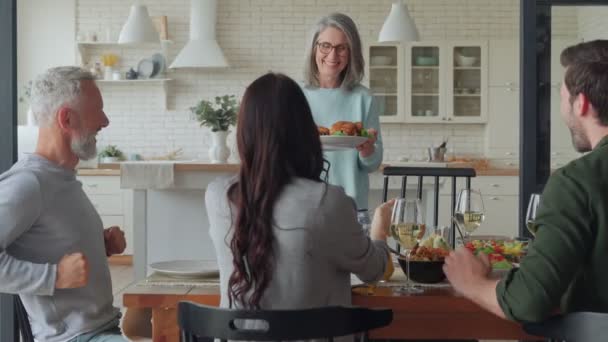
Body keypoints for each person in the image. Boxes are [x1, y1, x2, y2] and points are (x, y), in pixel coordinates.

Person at [443, 40, 608, 322]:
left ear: (581, 103)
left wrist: (470, 282)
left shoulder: (575, 182)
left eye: (562, 96)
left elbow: (528, 302)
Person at [206, 72, 392, 311]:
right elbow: (375, 271)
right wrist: (380, 228)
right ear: (304, 131)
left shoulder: (217, 196)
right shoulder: (329, 202)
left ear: (244, 133)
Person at [0, 66, 127, 341]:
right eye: (98, 110)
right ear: (67, 119)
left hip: (105, 327)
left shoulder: (61, 178)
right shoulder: (28, 184)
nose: (105, 121)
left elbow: (51, 243)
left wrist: (99, 245)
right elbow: (59, 271)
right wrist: (54, 276)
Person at [302, 12, 383, 211]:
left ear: (351, 52)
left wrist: (367, 149)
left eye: (341, 48)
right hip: (306, 205)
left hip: (352, 206)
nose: (332, 55)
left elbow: (372, 164)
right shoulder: (296, 95)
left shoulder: (363, 98)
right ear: (314, 49)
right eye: (325, 46)